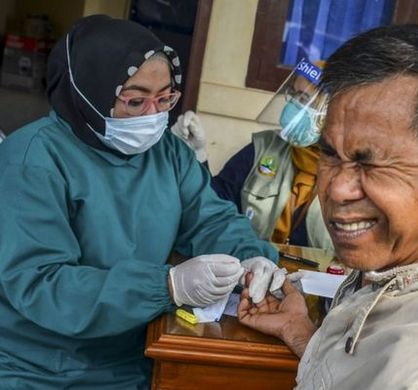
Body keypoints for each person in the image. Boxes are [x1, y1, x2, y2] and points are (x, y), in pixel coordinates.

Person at [0, 15, 280, 388]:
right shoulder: (33, 159)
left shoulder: (168, 154)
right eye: (135, 101)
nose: (153, 116)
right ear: (87, 93)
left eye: (165, 98)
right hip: (41, 366)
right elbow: (43, 284)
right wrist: (166, 286)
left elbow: (210, 219)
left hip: (136, 353)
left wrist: (250, 256)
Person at [237, 24, 418, 389]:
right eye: (328, 153)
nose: (336, 188)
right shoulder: (407, 267)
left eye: (372, 163)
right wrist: (300, 333)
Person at [172, 60, 333, 251]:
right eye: (294, 95)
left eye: (304, 99)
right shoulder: (263, 148)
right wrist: (197, 156)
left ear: (329, 113)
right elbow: (215, 203)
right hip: (254, 269)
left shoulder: (350, 173)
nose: (293, 105)